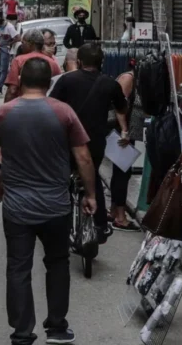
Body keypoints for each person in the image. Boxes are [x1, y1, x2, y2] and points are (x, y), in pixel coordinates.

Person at [0, 58, 97, 345]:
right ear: (49, 83)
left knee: (18, 268)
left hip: (17, 206)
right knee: (57, 263)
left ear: (19, 80)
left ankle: (22, 333)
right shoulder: (63, 112)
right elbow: (83, 156)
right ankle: (57, 327)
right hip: (56, 205)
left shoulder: (5, 112)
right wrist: (91, 194)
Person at [49, 43, 127, 242]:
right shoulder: (111, 84)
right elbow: (121, 110)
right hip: (94, 142)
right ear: (102, 62)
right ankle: (100, 224)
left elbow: (51, 106)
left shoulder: (66, 80)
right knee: (92, 178)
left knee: (63, 180)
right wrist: (125, 131)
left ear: (80, 61)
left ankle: (60, 223)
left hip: (66, 141)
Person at [109, 58, 144, 232]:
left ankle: (114, 211)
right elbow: (119, 105)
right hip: (120, 132)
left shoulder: (135, 78)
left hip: (127, 132)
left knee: (122, 172)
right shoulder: (128, 79)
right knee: (122, 173)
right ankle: (121, 218)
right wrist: (124, 130)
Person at [4, 29, 61, 102]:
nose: (21, 46)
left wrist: (6, 109)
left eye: (23, 43)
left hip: (22, 106)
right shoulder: (52, 63)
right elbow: (58, 87)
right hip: (46, 106)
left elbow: (12, 90)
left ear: (30, 44)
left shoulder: (18, 61)